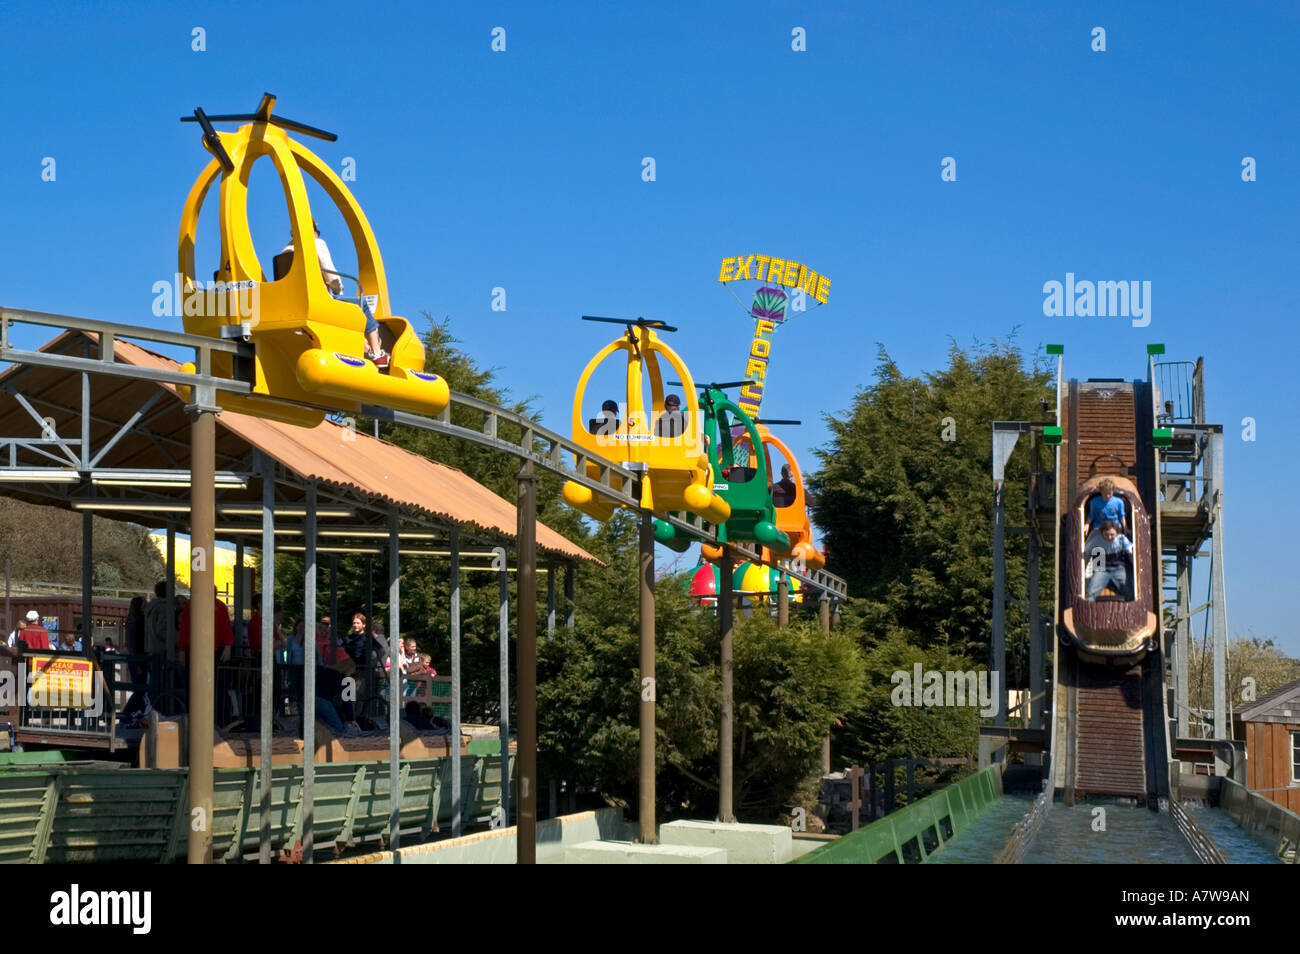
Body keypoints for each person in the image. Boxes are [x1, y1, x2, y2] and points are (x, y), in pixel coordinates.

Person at [177, 586, 234, 664]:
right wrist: (182, 650)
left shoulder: (220, 606)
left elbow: (226, 628)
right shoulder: (191, 605)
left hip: (212, 649)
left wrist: (228, 647)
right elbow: (184, 628)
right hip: (196, 649)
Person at [1085, 520, 1134, 601]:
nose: (1109, 537)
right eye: (1106, 535)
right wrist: (1083, 568)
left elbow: (1129, 550)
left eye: (1112, 535)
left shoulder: (1121, 539)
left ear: (1117, 533)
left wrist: (1131, 556)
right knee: (1090, 593)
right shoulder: (1096, 541)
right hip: (1101, 569)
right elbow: (1087, 553)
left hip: (1118, 569)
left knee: (1130, 591)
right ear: (1101, 533)